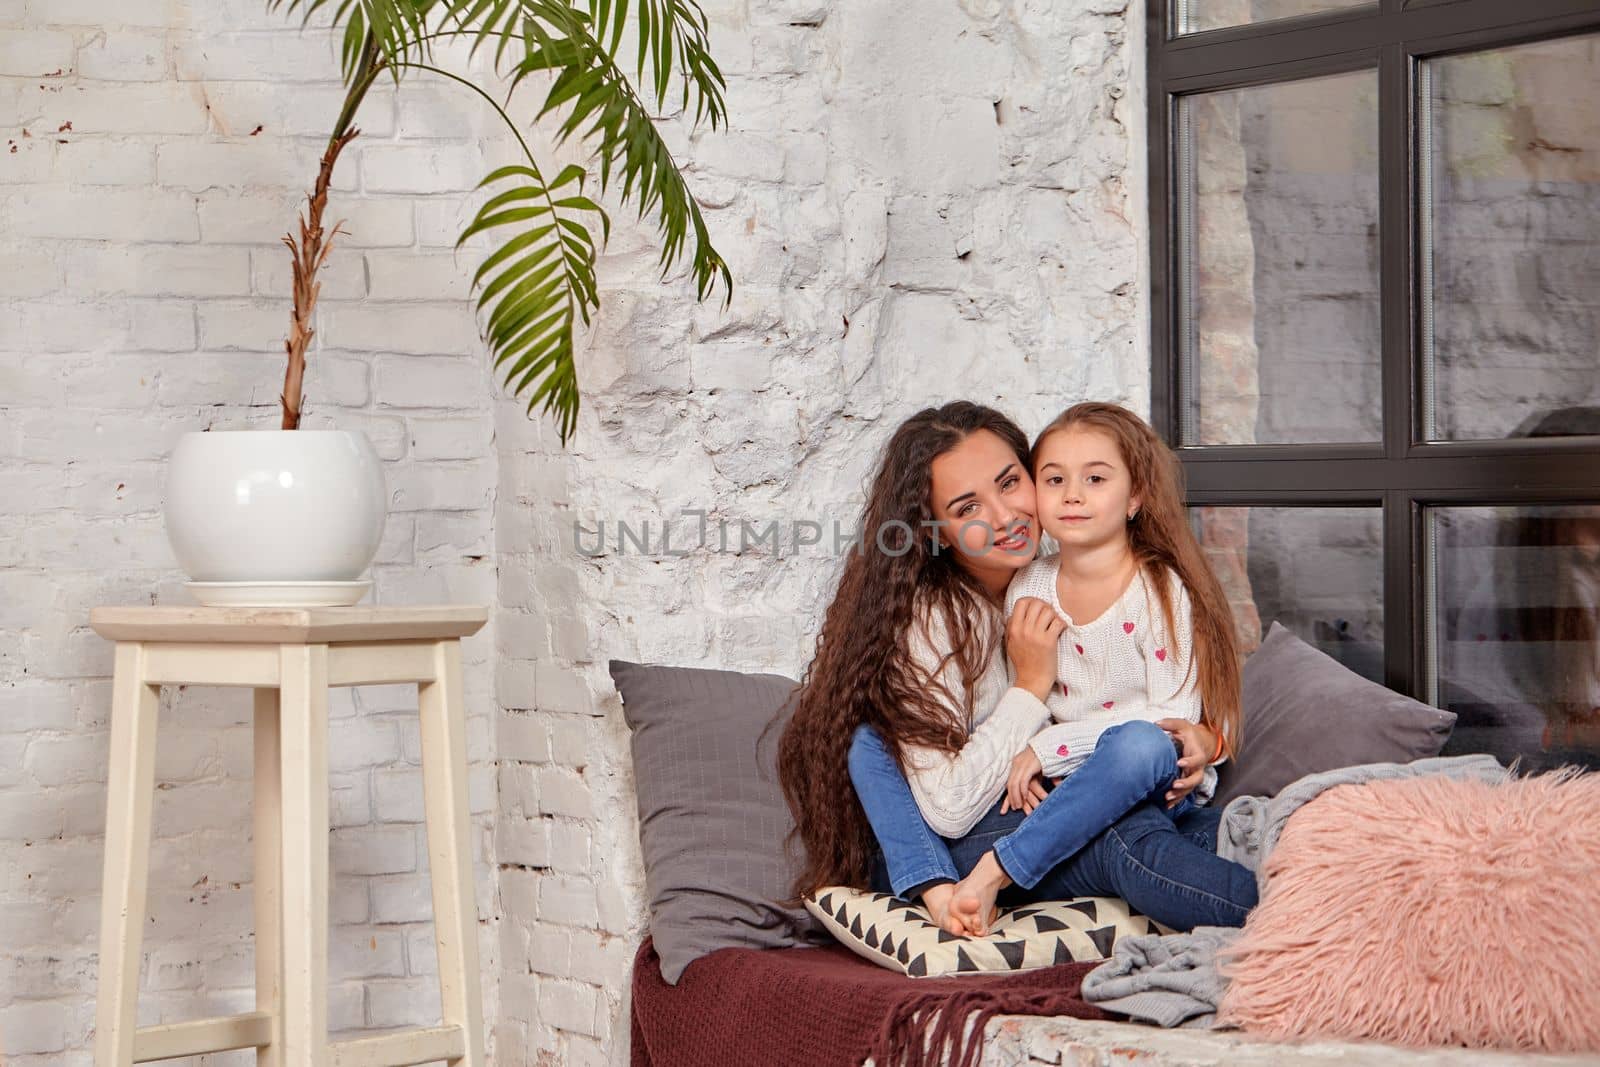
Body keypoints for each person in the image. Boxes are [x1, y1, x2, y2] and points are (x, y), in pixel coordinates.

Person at [777, 401, 1256, 940]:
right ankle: (1298, 925)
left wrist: (1207, 740)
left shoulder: (1062, 578)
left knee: (1220, 825)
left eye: (1010, 483)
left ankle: (1329, 880)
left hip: (1067, 796)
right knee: (1125, 832)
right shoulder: (932, 624)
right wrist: (1029, 685)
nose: (1005, 517)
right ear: (936, 532)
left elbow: (1173, 710)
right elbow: (951, 811)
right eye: (967, 508)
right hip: (970, 832)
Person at [944, 402, 1244, 933]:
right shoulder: (1030, 586)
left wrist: (1048, 750)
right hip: (1069, 794)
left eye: (1096, 479)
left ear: (1135, 497)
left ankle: (1000, 870)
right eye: (1054, 479)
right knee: (1177, 845)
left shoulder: (1159, 591)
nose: (1072, 494)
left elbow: (1169, 723)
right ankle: (1296, 913)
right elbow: (1029, 698)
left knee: (1140, 745)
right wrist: (1035, 754)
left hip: (1151, 780)